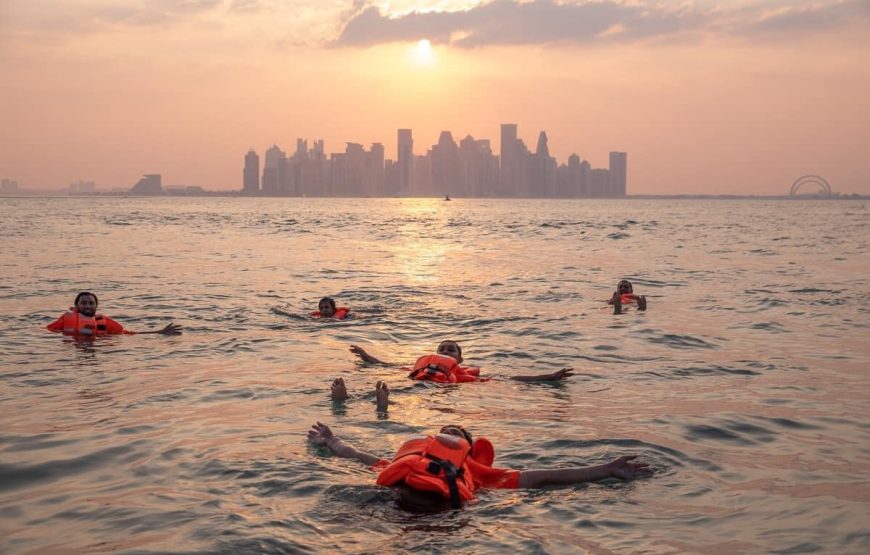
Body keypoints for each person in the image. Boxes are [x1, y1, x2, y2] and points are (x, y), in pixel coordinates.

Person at [307, 418, 650, 510]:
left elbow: (543, 477)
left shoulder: (482, 474)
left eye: (455, 435)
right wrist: (331, 442)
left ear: (469, 451)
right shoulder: (411, 461)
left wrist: (605, 470)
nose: (447, 436)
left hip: (440, 508)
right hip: (396, 500)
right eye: (443, 432)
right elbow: (358, 457)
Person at [348, 340, 574, 384]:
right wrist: (365, 355)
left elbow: (510, 379)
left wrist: (548, 377)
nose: (446, 352)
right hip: (420, 383)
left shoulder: (466, 375)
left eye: (451, 350)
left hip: (445, 388)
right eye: (442, 349)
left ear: (459, 359)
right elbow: (385, 365)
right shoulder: (418, 366)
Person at [46, 292, 182, 336]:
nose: (87, 306)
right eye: (84, 303)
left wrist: (159, 332)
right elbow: (48, 331)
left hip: (96, 348)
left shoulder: (105, 322)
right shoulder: (66, 319)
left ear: (96, 306)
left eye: (91, 303)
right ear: (77, 306)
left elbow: (128, 334)